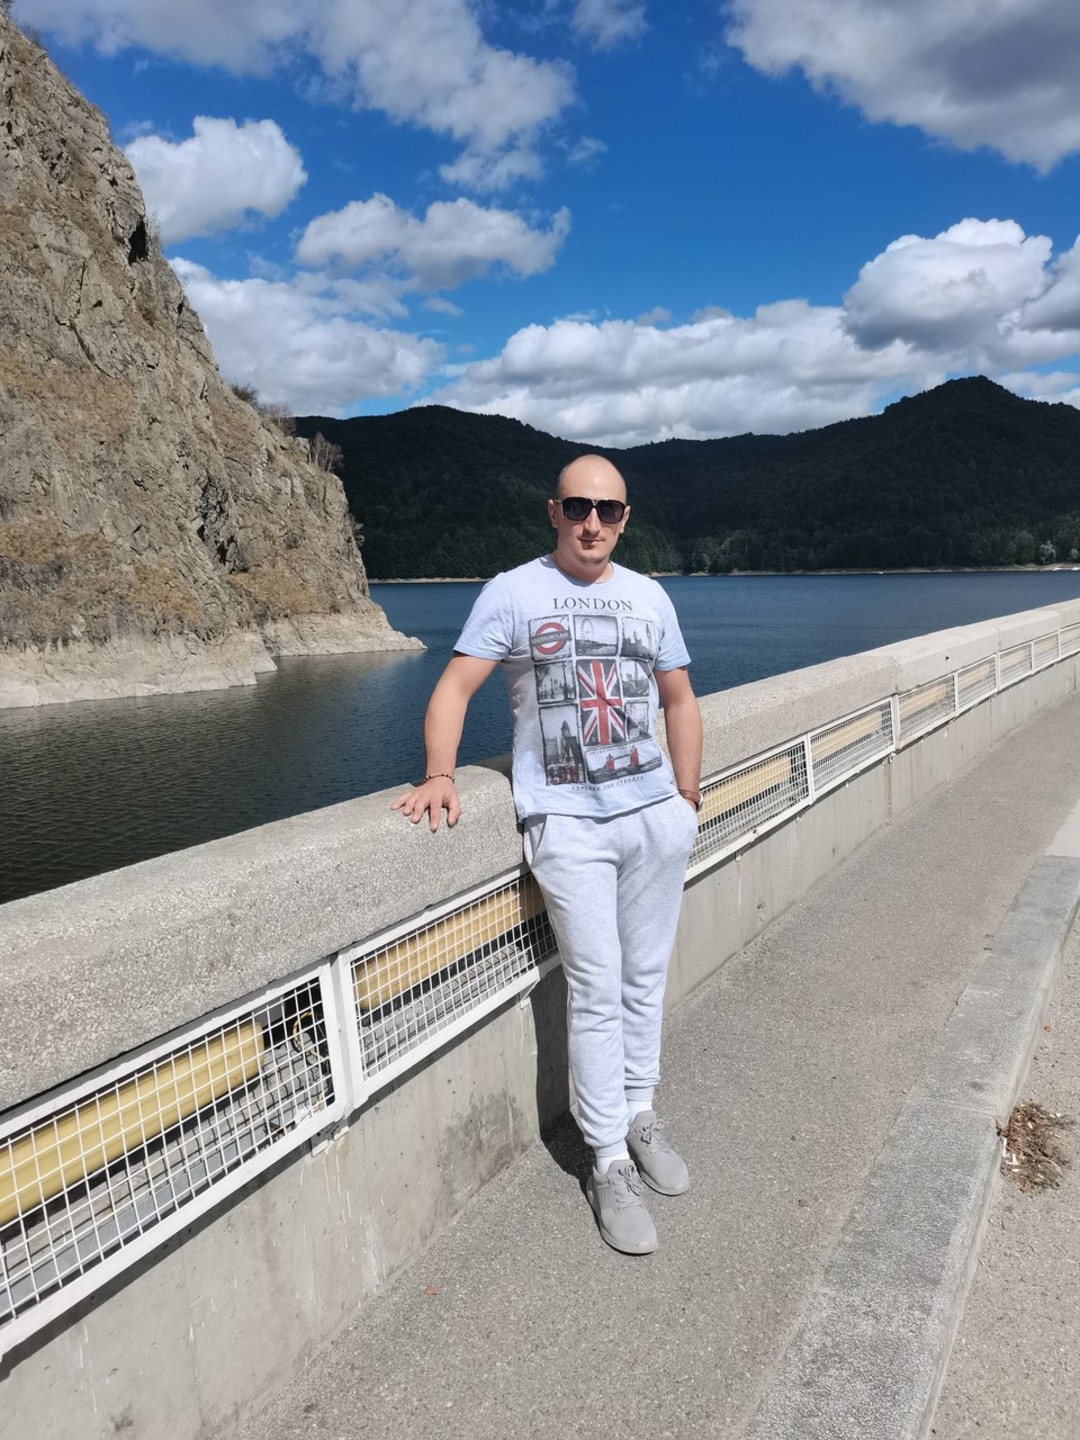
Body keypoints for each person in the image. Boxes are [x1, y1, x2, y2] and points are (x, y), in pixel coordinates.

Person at [392, 454, 703, 1255]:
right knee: (596, 987)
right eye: (577, 507)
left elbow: (678, 699)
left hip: (652, 818)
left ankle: (639, 1114)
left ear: (625, 518)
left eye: (608, 510)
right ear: (553, 512)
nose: (592, 523)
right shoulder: (514, 592)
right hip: (567, 824)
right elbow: (454, 687)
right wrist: (439, 773)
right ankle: (606, 1161)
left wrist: (685, 798)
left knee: (645, 976)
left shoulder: (649, 595)